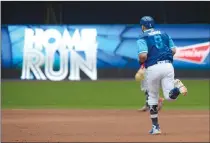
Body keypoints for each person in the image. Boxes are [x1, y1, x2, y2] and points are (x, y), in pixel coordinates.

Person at [135, 16, 188, 135]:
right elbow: (174, 50)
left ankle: (156, 127)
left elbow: (143, 56)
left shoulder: (142, 37)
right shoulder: (164, 34)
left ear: (143, 26)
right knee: (170, 97)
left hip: (153, 68)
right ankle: (177, 88)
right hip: (168, 66)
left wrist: (141, 61)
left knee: (152, 97)